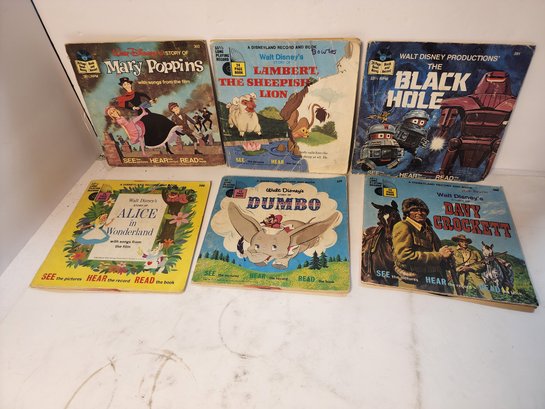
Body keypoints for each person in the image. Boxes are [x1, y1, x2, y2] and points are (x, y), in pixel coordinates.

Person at [392, 197, 453, 293]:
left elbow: (437, 251)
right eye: (415, 210)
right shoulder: (403, 226)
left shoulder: (429, 230)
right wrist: (439, 255)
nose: (420, 213)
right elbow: (404, 256)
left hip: (437, 278)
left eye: (423, 210)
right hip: (416, 282)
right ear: (407, 213)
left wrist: (447, 256)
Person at [449, 234, 492, 299]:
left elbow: (482, 265)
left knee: (485, 292)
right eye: (462, 241)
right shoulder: (452, 249)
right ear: (458, 242)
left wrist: (470, 268)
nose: (464, 243)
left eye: (466, 241)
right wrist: (456, 269)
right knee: (457, 295)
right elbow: (445, 260)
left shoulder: (474, 252)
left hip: (474, 275)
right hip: (459, 275)